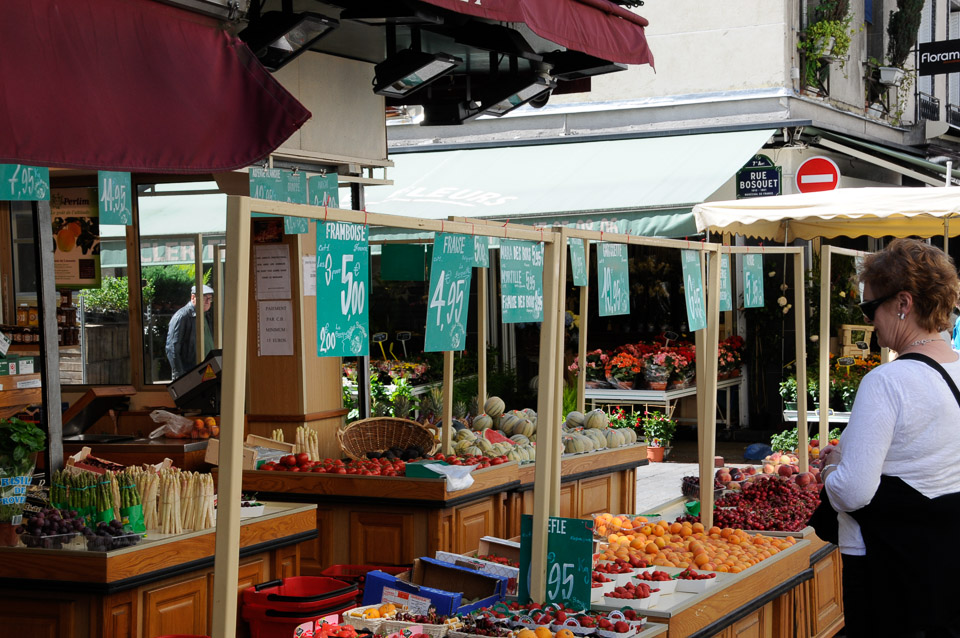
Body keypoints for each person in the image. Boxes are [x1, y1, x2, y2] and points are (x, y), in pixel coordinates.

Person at [820, 238, 960, 638]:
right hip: (946, 562)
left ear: (903, 303)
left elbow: (853, 492)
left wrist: (831, 469)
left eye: (870, 308)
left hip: (887, 566)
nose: (869, 321)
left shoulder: (887, 381)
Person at [165, 284, 214, 380]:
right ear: (193, 297)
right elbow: (172, 348)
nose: (208, 302)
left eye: (210, 298)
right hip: (190, 373)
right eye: (204, 298)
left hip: (207, 370)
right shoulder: (182, 316)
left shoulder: (206, 316)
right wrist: (180, 375)